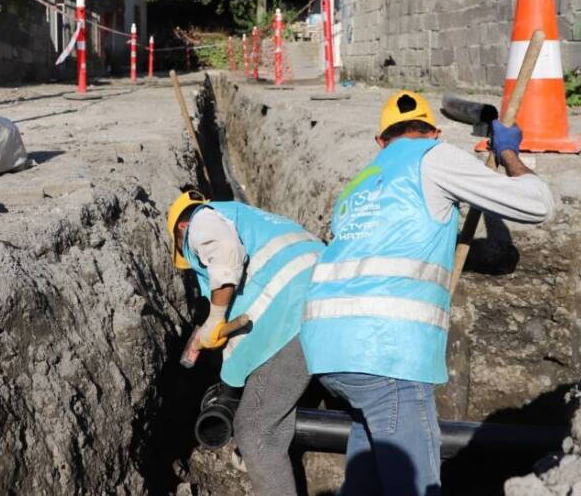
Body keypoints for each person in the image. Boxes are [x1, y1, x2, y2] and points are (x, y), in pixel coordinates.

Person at [299, 91, 555, 496]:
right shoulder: (433, 155)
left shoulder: (358, 183)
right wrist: (508, 155)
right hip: (387, 351)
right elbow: (537, 205)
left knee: (366, 481)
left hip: (328, 349)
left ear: (380, 141)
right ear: (433, 132)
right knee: (415, 486)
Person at [167, 190, 324, 495]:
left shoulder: (200, 219)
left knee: (255, 431)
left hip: (297, 311)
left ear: (180, 230)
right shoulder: (253, 220)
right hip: (339, 300)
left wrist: (214, 318)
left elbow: (224, 253)